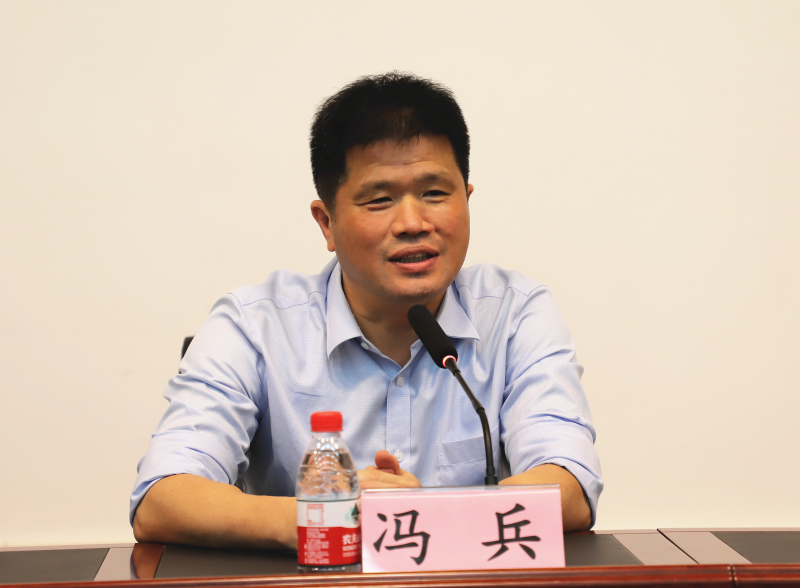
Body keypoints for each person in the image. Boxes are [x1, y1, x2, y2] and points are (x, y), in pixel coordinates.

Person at [131, 72, 603, 550]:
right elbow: (161, 499)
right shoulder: (254, 326)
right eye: (380, 200)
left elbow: (570, 487)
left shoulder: (515, 313)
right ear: (327, 223)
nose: (413, 223)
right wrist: (327, 513)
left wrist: (415, 519)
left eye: (435, 193)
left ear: (466, 199)